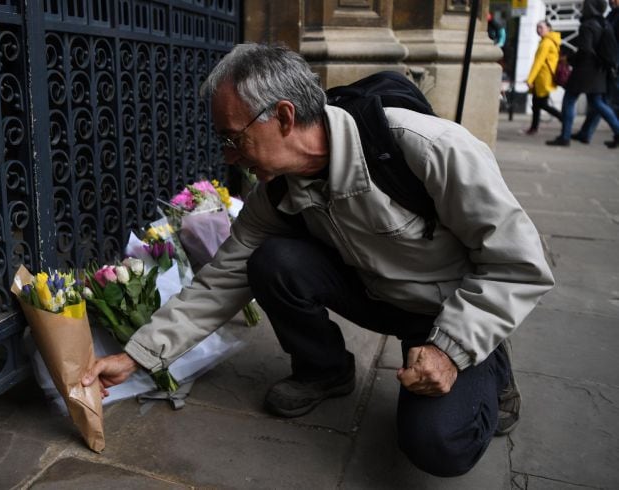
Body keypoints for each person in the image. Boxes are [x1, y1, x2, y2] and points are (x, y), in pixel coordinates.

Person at [82, 44, 555, 477]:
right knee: (270, 260)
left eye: (234, 138)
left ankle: (489, 363)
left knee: (437, 446)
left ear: (284, 117)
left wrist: (450, 348)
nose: (230, 155)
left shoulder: (428, 147)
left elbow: (519, 264)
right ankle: (325, 371)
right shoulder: (278, 192)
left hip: (447, 309)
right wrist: (137, 355)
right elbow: (221, 279)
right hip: (376, 293)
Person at [546, 0, 619, 147]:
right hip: (599, 71)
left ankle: (565, 137)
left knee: (569, 100)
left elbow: (585, 51)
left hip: (585, 72)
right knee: (598, 103)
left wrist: (569, 59)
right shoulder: (603, 23)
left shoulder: (587, 25)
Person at [571, 0, 619, 147]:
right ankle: (586, 133)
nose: (611, 1)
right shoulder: (611, 15)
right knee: (598, 101)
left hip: (612, 64)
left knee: (603, 102)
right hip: (606, 63)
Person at [524, 20, 563, 135]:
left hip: (542, 78)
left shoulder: (546, 43)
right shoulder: (550, 41)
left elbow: (538, 62)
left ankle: (563, 118)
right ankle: (534, 127)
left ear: (549, 28)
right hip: (542, 78)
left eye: (541, 27)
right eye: (537, 27)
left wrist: (529, 79)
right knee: (536, 104)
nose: (538, 30)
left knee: (541, 104)